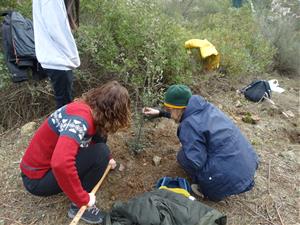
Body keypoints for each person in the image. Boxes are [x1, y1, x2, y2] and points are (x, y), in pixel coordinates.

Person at [20, 81, 131, 224]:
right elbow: (60, 163)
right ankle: (77, 207)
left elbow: (92, 138)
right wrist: (82, 198)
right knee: (101, 152)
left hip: (39, 171)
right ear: (113, 113)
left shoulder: (88, 110)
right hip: (36, 180)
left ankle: (100, 164)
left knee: (101, 137)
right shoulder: (79, 120)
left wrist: (108, 159)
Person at [143, 84, 259, 201]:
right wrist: (160, 113)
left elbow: (196, 162)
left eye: (168, 109)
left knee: (183, 156)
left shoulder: (189, 125)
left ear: (178, 108)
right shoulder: (206, 108)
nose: (167, 111)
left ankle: (207, 189)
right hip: (249, 165)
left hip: (230, 181)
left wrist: (188, 146)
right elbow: (183, 114)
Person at [32, 0, 80, 109]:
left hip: (52, 57)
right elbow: (56, 29)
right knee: (65, 108)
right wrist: (73, 58)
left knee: (63, 104)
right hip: (58, 60)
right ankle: (60, 125)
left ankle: (58, 124)